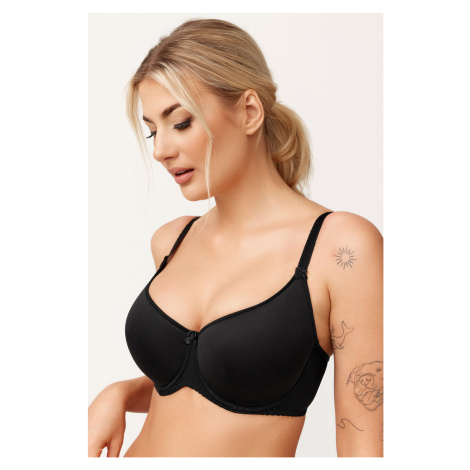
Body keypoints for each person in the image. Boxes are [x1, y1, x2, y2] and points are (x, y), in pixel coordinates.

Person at [88, 18, 383, 458]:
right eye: (152, 130)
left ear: (249, 112)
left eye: (180, 123)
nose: (160, 150)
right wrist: (120, 393)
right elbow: (191, 385)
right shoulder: (172, 241)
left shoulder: (340, 249)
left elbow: (365, 445)